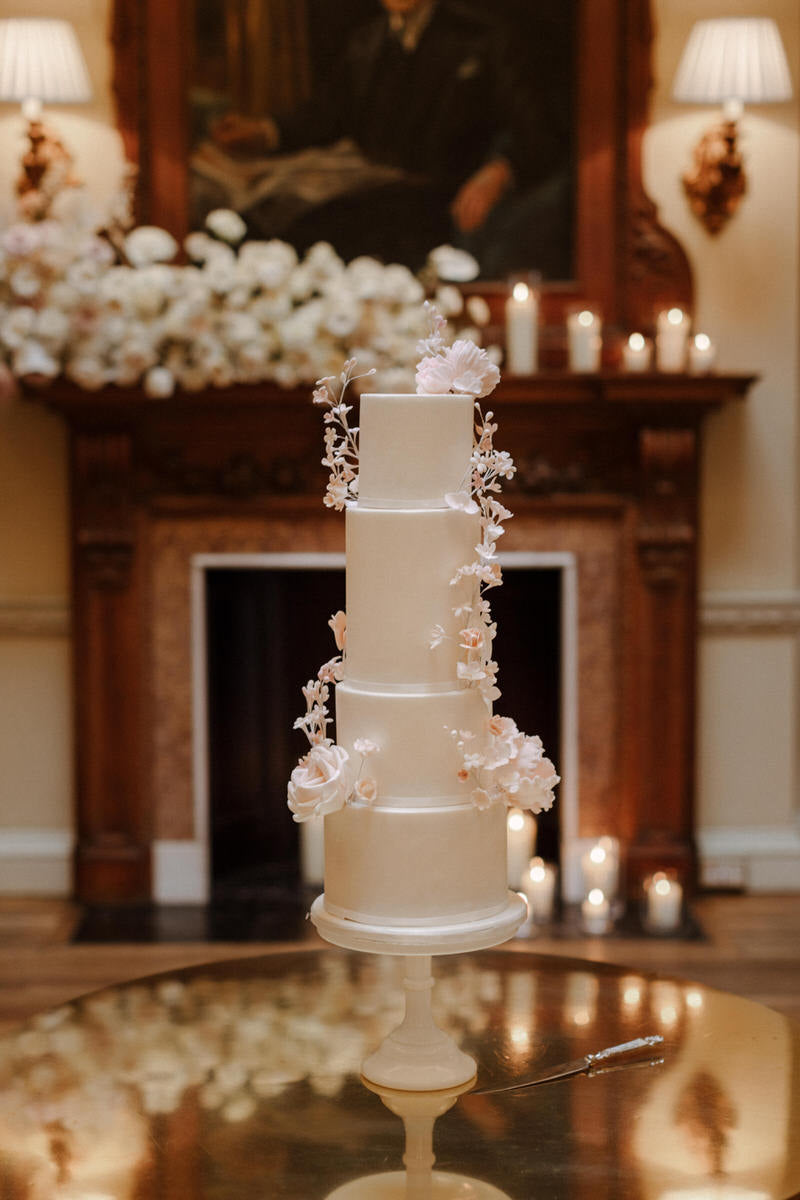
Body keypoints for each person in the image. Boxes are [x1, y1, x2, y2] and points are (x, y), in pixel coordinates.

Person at [209, 0, 570, 273]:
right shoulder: (368, 41)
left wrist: (501, 170)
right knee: (263, 220)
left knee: (303, 235)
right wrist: (263, 131)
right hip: (373, 188)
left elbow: (538, 132)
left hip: (439, 199)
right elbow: (327, 114)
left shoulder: (486, 38)